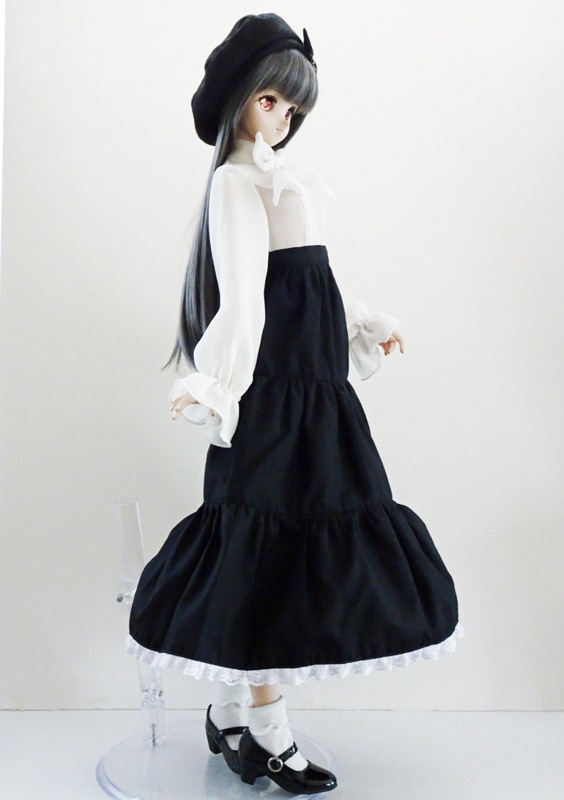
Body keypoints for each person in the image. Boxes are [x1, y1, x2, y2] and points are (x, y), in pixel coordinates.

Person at [126, 13, 463, 795]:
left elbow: (312, 283)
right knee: (265, 551)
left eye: (293, 106)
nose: (281, 118)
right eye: (270, 100)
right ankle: (268, 734)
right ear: (241, 99)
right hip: (273, 397)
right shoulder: (237, 182)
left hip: (317, 391)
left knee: (296, 540)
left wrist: (363, 322)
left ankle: (230, 714)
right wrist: (216, 382)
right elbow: (247, 299)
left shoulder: (291, 180)